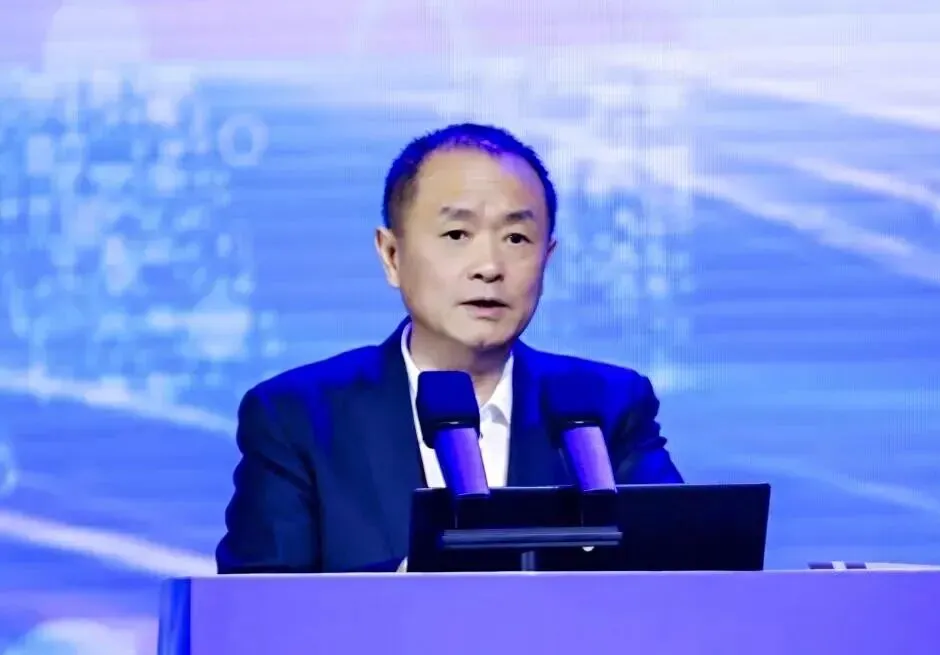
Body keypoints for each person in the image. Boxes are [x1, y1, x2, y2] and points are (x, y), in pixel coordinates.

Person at [215, 123, 683, 574]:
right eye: (458, 235)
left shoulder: (608, 407)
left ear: (547, 258)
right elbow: (255, 609)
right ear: (391, 255)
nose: (489, 267)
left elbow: (685, 572)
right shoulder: (297, 418)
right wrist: (415, 587)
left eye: (516, 238)